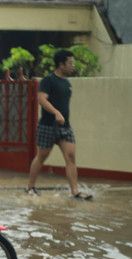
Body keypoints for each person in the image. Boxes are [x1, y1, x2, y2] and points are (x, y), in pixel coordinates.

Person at [25, 49, 92, 200]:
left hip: (65, 127)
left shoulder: (67, 82)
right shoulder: (48, 80)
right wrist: (56, 113)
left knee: (70, 157)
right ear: (61, 64)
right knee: (42, 156)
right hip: (48, 126)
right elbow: (42, 99)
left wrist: (62, 116)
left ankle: (75, 192)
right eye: (70, 63)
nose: (72, 65)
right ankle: (30, 187)